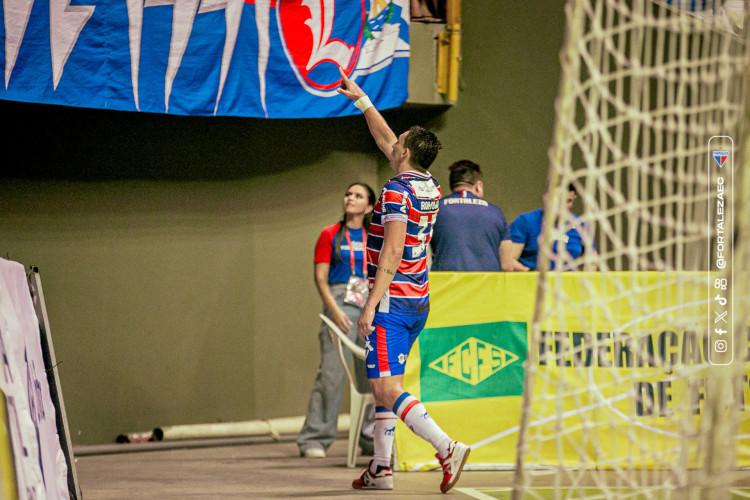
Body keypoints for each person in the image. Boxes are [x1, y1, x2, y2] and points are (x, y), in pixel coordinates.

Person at [337, 67, 471, 494]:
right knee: (382, 389)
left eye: (399, 141)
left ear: (405, 152)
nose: (392, 142)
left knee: (387, 387)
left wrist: (372, 305)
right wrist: (362, 100)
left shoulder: (396, 191)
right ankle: (381, 468)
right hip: (417, 302)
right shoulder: (427, 184)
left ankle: (446, 446)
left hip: (392, 303)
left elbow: (391, 252)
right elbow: (384, 139)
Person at [297, 182, 377, 459]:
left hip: (368, 304)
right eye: (348, 194)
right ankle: (314, 438)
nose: (350, 199)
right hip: (340, 303)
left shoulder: (373, 236)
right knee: (331, 374)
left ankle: (369, 439)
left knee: (372, 376)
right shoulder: (330, 234)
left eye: (358, 196)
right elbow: (320, 278)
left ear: (368, 207)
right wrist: (335, 311)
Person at [429, 159, 513, 272]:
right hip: (487, 287)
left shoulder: (435, 209)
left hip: (447, 286)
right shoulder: (496, 213)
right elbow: (507, 265)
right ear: (478, 185)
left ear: (451, 185)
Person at [507, 184, 596, 271]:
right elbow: (509, 260)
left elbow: (593, 261)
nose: (563, 205)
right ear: (547, 198)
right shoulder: (526, 221)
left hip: (566, 282)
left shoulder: (581, 225)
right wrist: (529, 272)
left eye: (568, 201)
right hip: (532, 281)